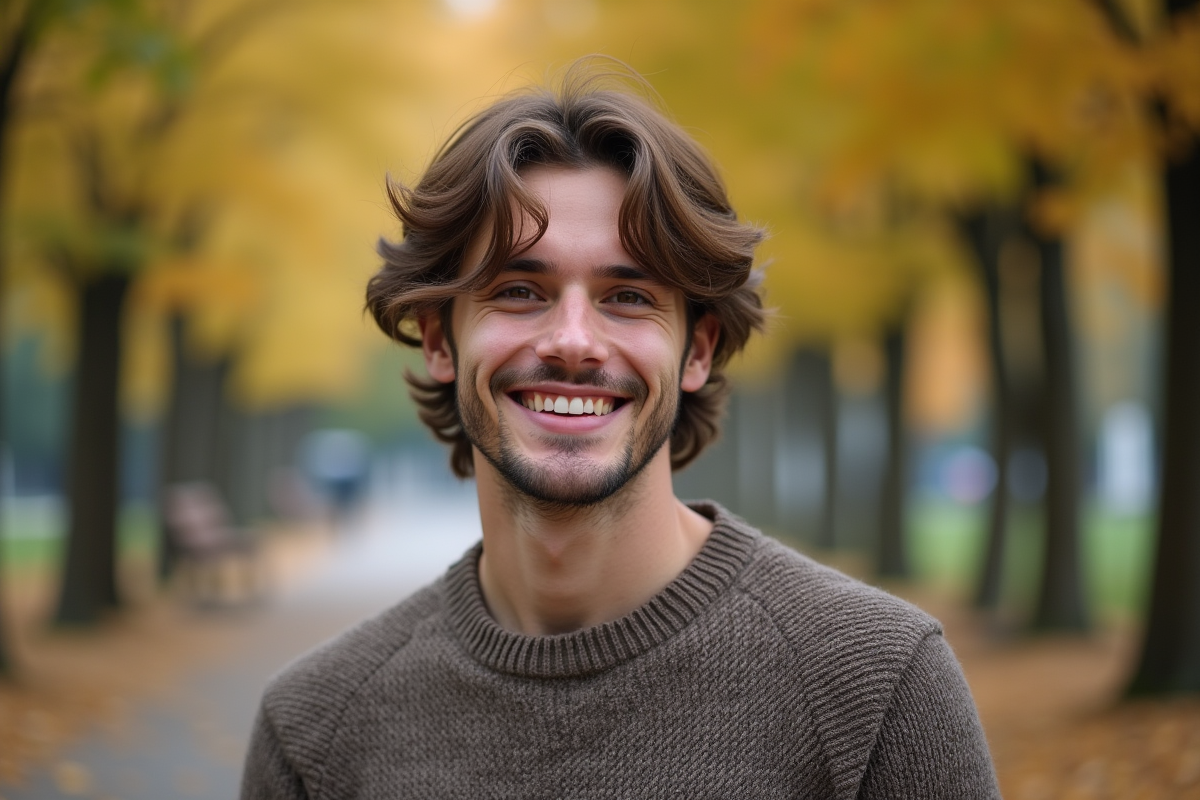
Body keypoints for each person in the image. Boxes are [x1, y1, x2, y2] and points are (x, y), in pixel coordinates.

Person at [241, 61, 1000, 799]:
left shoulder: (877, 689)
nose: (573, 341)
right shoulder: (315, 732)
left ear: (696, 351)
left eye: (628, 297)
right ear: (440, 340)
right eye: (519, 289)